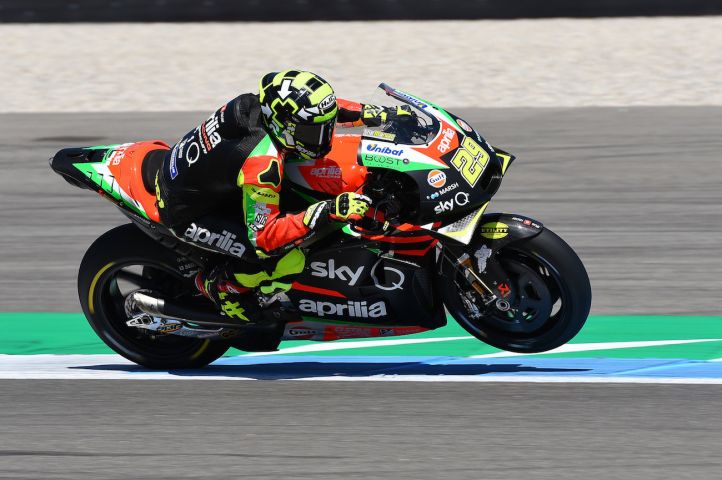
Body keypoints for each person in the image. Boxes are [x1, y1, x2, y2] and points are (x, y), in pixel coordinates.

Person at [154, 70, 414, 322]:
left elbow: (322, 113)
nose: (323, 139)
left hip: (202, 181)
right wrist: (328, 210)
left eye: (324, 129)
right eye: (312, 133)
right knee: (287, 261)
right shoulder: (262, 164)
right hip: (189, 213)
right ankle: (221, 286)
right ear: (283, 126)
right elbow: (264, 238)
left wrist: (378, 114)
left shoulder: (257, 105)